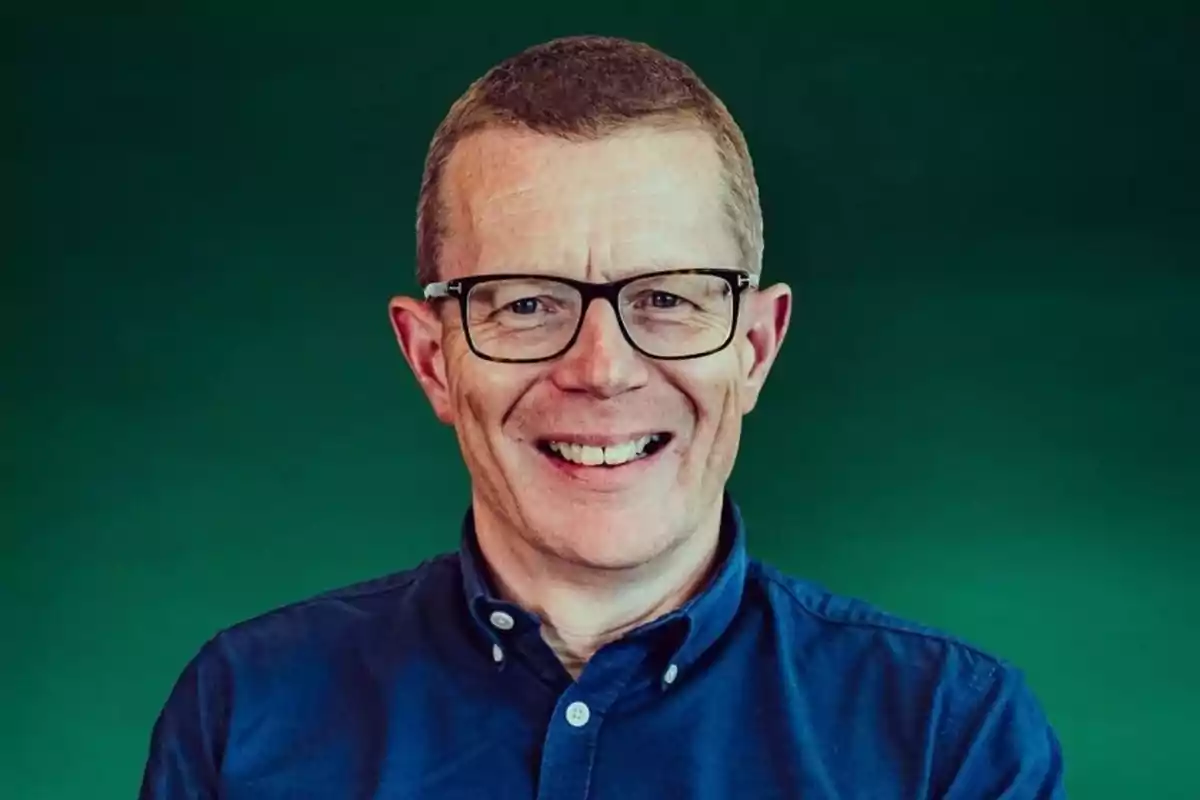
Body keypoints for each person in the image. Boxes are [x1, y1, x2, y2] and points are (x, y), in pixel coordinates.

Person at [140, 35, 1066, 799]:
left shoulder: (951, 739)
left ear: (754, 348)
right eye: (527, 303)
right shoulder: (243, 714)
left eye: (668, 298)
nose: (603, 369)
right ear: (432, 359)